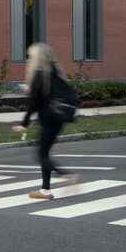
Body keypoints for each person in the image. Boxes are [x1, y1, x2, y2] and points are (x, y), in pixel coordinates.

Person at [12, 42, 77, 200]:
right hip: (58, 118)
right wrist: (33, 90)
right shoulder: (53, 70)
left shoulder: (39, 74)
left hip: (48, 119)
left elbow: (34, 103)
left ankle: (66, 176)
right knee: (44, 153)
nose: (29, 59)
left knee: (41, 154)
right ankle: (45, 191)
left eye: (30, 56)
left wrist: (24, 124)